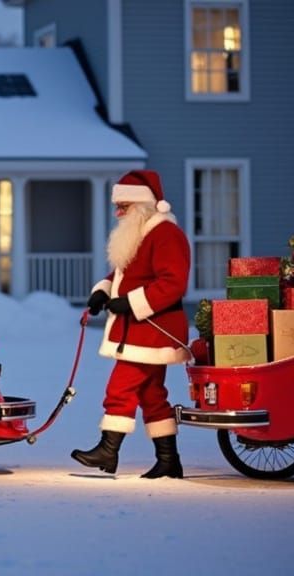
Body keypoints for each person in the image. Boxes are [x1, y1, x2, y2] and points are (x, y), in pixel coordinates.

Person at [72, 169, 190, 479]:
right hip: (140, 330)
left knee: (120, 387)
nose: (118, 212)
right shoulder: (141, 234)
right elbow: (125, 275)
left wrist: (132, 303)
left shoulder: (166, 235)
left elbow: (173, 283)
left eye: (123, 206)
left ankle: (108, 451)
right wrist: (103, 291)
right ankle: (168, 461)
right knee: (152, 394)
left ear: (142, 206)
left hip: (154, 329)